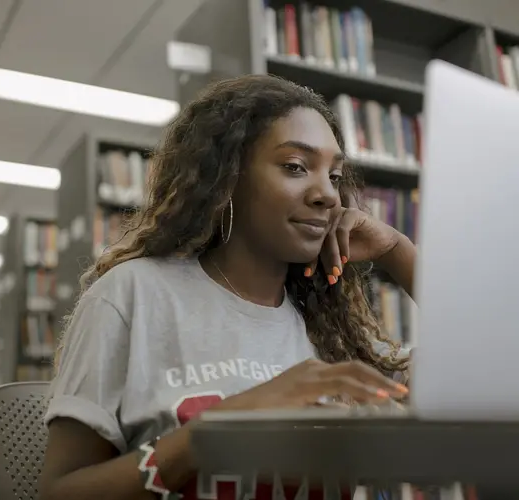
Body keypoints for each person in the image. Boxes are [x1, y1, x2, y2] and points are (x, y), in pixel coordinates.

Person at [40, 75, 415, 500]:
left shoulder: (335, 330)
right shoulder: (132, 296)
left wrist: (396, 250)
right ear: (227, 178)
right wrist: (211, 433)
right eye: (295, 167)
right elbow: (61, 492)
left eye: (334, 175)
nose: (327, 195)